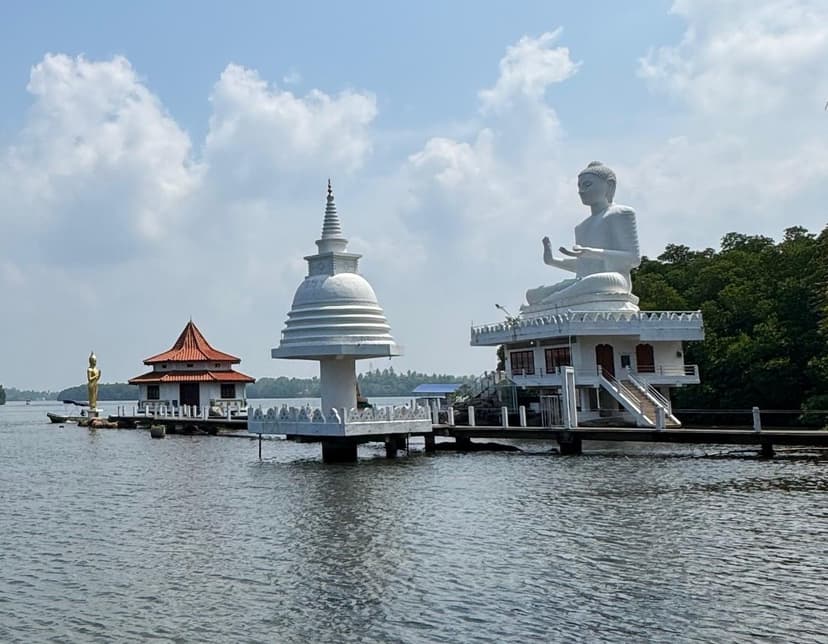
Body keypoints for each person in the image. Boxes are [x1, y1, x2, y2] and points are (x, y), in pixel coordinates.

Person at [525, 161, 641, 308]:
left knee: (596, 281)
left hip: (613, 280)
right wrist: (553, 260)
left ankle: (552, 301)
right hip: (584, 282)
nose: (581, 191)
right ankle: (551, 299)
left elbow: (633, 258)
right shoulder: (581, 227)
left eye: (587, 185)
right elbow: (584, 266)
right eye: (579, 187)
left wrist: (592, 252)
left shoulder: (621, 213)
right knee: (532, 295)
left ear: (609, 185)